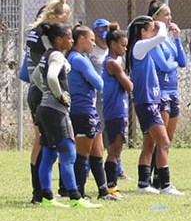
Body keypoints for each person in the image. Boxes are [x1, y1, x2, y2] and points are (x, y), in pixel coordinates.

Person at [31, 23, 99, 208]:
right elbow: (52, 77)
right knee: (69, 153)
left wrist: (46, 92)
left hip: (44, 110)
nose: (71, 40)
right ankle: (76, 198)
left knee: (49, 153)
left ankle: (47, 196)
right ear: (59, 39)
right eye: (69, 37)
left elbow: (36, 76)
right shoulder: (58, 55)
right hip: (56, 111)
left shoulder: (47, 54)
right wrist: (59, 95)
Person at [21, 0, 71, 203]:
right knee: (45, 142)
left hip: (36, 90)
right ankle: (40, 192)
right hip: (42, 93)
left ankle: (41, 192)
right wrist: (57, 94)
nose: (65, 28)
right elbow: (45, 72)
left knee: (42, 141)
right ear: (55, 18)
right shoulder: (45, 37)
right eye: (63, 22)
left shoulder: (36, 31)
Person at [128, 15, 181, 195]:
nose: (155, 30)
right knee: (164, 141)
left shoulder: (144, 48)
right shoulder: (139, 46)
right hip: (147, 102)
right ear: (143, 32)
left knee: (149, 144)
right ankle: (165, 185)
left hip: (150, 101)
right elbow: (161, 37)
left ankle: (143, 184)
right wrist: (160, 23)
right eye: (151, 28)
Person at [67, 25, 113, 201]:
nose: (94, 44)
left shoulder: (80, 57)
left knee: (97, 152)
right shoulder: (78, 59)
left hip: (90, 110)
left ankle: (103, 192)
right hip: (83, 111)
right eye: (91, 40)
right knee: (82, 154)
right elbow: (99, 83)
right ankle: (78, 193)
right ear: (81, 40)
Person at [148, 0, 187, 186]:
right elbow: (164, 65)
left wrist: (178, 38)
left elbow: (183, 61)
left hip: (173, 91)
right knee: (159, 139)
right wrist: (173, 65)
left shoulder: (169, 40)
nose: (169, 18)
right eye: (166, 14)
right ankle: (156, 177)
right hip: (160, 92)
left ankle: (159, 173)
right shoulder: (153, 40)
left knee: (168, 138)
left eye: (170, 14)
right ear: (155, 17)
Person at [101, 25, 133, 194]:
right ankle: (111, 187)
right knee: (115, 150)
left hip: (114, 111)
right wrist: (128, 78)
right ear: (113, 45)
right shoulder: (113, 63)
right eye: (123, 45)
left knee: (114, 150)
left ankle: (111, 186)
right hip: (116, 111)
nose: (125, 48)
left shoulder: (111, 62)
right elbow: (129, 86)